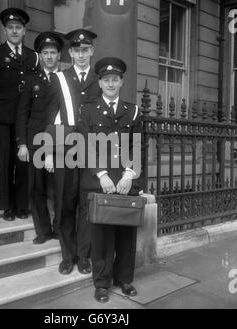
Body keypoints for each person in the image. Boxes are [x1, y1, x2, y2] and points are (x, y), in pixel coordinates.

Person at [77, 57, 145, 303]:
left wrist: (129, 175)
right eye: (106, 80)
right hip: (99, 182)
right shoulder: (88, 110)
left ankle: (125, 279)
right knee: (101, 235)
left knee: (126, 233)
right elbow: (83, 146)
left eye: (115, 80)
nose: (111, 84)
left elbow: (138, 147)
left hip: (126, 182)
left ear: (121, 82)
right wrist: (102, 174)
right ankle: (102, 283)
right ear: (100, 82)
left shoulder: (133, 111)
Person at [44, 29, 102, 275]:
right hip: (64, 150)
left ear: (92, 51)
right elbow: (50, 115)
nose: (81, 54)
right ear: (70, 52)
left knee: (87, 204)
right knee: (65, 202)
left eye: (85, 50)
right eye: (76, 50)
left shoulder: (101, 79)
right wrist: (48, 151)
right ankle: (67, 256)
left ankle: (83, 255)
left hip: (91, 151)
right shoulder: (59, 78)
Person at [0, 8, 39, 221]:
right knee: (6, 162)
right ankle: (7, 206)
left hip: (25, 120)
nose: (15, 31)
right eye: (11, 27)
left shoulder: (32, 56)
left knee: (23, 162)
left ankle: (22, 205)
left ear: (24, 31)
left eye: (18, 28)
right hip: (3, 118)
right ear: (5, 30)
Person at [16, 32, 64, 244]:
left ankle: (59, 228)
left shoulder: (64, 80)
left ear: (59, 55)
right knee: (37, 189)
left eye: (53, 52)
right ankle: (43, 231)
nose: (50, 56)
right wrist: (22, 143)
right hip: (35, 142)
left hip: (59, 141)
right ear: (40, 55)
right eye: (45, 53)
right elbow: (22, 113)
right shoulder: (30, 80)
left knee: (59, 189)